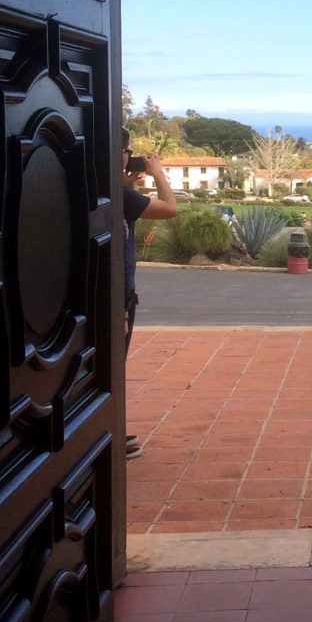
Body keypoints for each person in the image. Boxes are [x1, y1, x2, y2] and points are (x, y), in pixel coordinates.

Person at [121, 129, 177, 455]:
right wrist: (157, 174)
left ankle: (107, 429)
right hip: (119, 293)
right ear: (120, 153)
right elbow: (170, 209)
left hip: (116, 290)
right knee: (113, 365)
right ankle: (107, 434)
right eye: (128, 151)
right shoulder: (119, 194)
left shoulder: (112, 192)